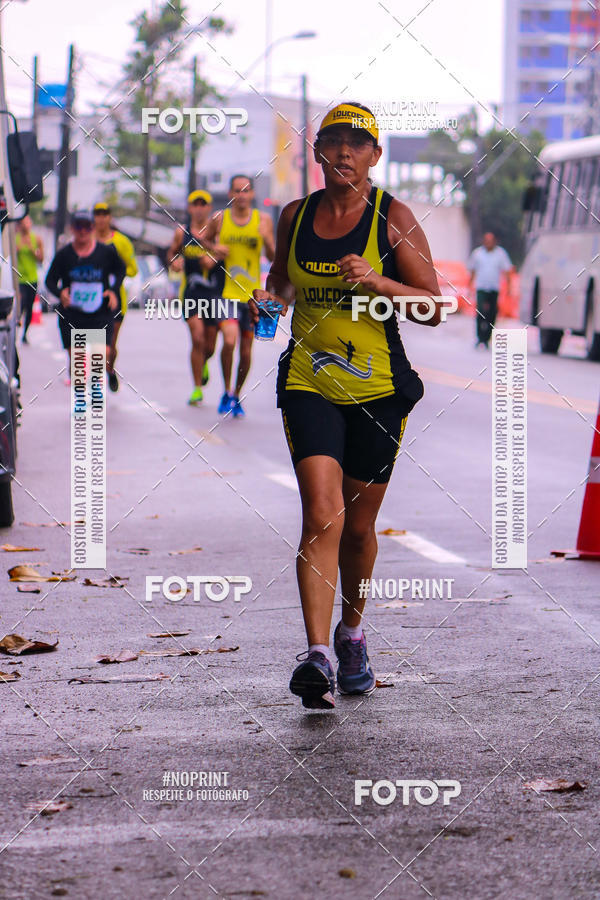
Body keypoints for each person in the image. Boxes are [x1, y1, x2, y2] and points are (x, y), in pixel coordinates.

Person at [249, 102, 443, 709]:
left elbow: (434, 304)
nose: (343, 153)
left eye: (356, 145)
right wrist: (269, 299)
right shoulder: (295, 216)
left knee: (358, 529)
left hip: (380, 390)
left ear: (375, 157)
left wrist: (381, 282)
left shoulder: (394, 219)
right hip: (309, 382)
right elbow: (283, 279)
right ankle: (317, 656)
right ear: (317, 153)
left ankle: (352, 633)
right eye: (332, 142)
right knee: (322, 515)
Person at [203, 175, 275, 417]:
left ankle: (236, 394)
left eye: (246, 191)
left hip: (253, 297)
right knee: (229, 341)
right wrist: (214, 248)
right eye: (237, 190)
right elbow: (203, 240)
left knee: (245, 351)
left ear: (252, 194)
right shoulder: (220, 219)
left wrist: (266, 238)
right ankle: (225, 390)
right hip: (227, 294)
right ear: (231, 193)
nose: (241, 195)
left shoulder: (262, 219)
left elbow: (274, 256)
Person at [45, 209, 125, 382]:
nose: (82, 231)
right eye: (78, 226)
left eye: (87, 227)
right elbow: (49, 281)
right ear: (72, 229)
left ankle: (95, 394)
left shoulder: (105, 252)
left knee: (102, 354)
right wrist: (61, 293)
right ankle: (84, 401)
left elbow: (121, 269)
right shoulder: (64, 255)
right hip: (72, 314)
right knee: (79, 364)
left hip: (99, 313)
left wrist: (113, 290)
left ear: (93, 229)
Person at [167, 190, 227, 405]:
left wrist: (215, 256)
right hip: (191, 294)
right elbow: (172, 252)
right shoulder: (181, 232)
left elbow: (228, 252)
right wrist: (174, 262)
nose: (199, 208)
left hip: (215, 294)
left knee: (209, 345)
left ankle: (203, 362)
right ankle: (197, 389)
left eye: (204, 204)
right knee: (197, 337)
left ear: (209, 208)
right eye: (195, 204)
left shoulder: (219, 234)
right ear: (190, 208)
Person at [93, 201, 138, 391]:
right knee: (94, 341)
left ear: (110, 217)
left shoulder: (121, 241)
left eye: (105, 214)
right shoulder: (88, 239)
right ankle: (94, 382)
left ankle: (110, 369)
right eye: (97, 214)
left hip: (115, 299)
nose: (101, 218)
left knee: (110, 342)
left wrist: (116, 272)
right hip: (93, 299)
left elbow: (133, 269)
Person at [468, 232, 515, 349]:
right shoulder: (477, 253)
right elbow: (472, 271)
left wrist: (509, 287)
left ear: (494, 242)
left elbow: (507, 270)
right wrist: (469, 286)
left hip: (494, 288)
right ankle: (479, 337)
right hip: (481, 288)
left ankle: (487, 338)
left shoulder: (500, 254)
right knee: (480, 312)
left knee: (492, 314)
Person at [16, 215, 44, 344]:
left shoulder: (36, 239)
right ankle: (16, 329)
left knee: (29, 306)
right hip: (19, 278)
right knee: (20, 306)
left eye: (27, 222)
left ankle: (25, 334)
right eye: (23, 222)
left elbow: (41, 259)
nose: (25, 225)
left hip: (32, 278)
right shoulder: (15, 238)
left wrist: (32, 250)